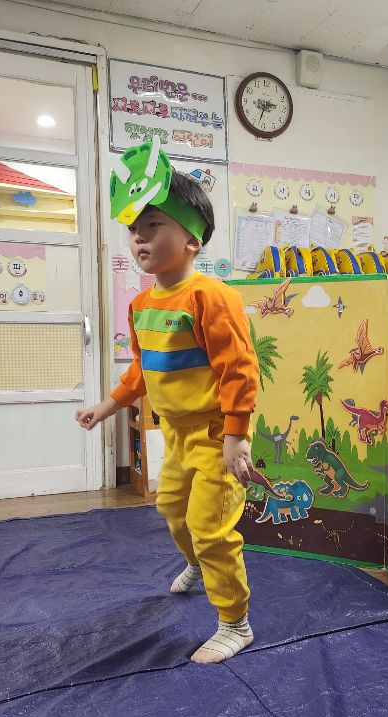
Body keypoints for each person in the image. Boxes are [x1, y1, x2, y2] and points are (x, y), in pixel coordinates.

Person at [76, 140, 259, 664]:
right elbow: (143, 370)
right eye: (134, 228)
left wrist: (236, 437)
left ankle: (235, 622)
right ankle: (198, 563)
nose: (139, 236)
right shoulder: (141, 304)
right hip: (175, 436)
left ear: (192, 239)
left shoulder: (211, 297)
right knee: (172, 510)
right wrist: (107, 406)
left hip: (215, 436)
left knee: (211, 527)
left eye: (153, 224)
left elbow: (239, 370)